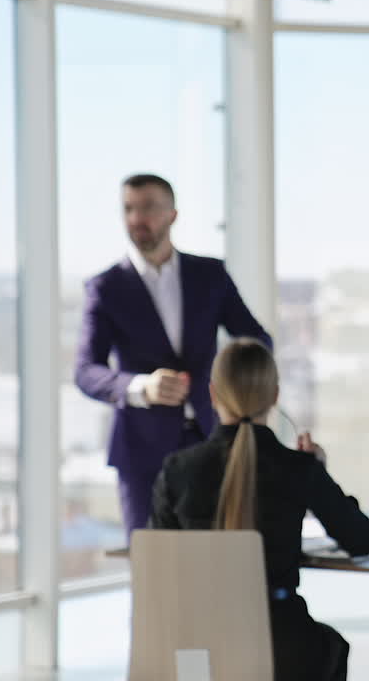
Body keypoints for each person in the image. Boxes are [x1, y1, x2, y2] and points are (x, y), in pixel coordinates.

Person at [150, 338, 369, 681]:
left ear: (213, 394)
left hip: (194, 646)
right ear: (274, 396)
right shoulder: (298, 468)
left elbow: (160, 561)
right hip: (281, 644)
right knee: (331, 645)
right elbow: (360, 540)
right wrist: (319, 472)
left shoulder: (177, 470)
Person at [74, 173, 271, 536]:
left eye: (148, 207)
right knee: (153, 571)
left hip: (215, 440)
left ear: (172, 214)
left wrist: (232, 388)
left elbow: (257, 341)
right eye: (128, 209)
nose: (136, 219)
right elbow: (85, 371)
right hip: (142, 452)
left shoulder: (210, 275)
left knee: (217, 562)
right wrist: (139, 387)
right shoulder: (106, 288)